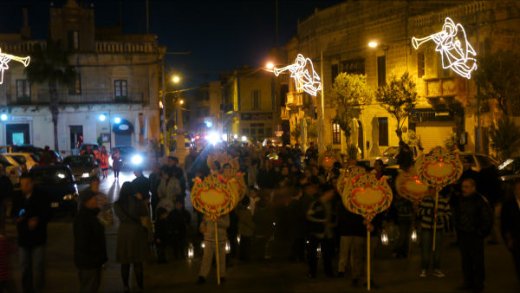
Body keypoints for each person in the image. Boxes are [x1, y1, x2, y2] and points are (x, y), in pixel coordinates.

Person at [12, 174, 51, 293]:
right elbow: (14, 213)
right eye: (22, 184)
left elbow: (48, 213)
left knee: (38, 266)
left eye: (27, 184)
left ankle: (39, 287)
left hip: (38, 237)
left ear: (32, 183)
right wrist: (16, 218)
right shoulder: (18, 197)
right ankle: (27, 289)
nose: (24, 187)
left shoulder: (41, 196)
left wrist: (38, 219)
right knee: (24, 267)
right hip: (23, 238)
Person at [453, 178, 493, 293]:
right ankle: (468, 281)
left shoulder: (479, 200)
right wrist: (458, 228)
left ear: (473, 188)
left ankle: (478, 283)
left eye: (466, 187)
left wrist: (481, 232)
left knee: (477, 260)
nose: (463, 189)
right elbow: (457, 214)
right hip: (463, 234)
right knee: (466, 260)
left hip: (475, 235)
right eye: (463, 187)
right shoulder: (460, 199)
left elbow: (487, 218)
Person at [114, 182, 149, 292]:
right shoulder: (138, 201)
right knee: (137, 261)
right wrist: (142, 201)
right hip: (136, 231)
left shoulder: (117, 204)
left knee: (125, 262)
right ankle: (140, 286)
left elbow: (120, 216)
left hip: (124, 232)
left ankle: (125, 286)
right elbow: (145, 213)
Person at [74, 190, 108, 293]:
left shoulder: (93, 214)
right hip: (88, 262)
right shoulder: (83, 218)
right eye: (94, 199)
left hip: (94, 260)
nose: (96, 201)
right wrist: (96, 253)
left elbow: (108, 222)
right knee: (89, 287)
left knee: (93, 286)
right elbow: (83, 242)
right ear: (86, 202)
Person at [306, 184, 336, 278]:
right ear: (326, 193)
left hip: (328, 233)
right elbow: (309, 216)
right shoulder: (316, 204)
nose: (332, 194)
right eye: (331, 192)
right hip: (316, 232)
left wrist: (333, 224)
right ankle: (312, 272)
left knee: (327, 254)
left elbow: (334, 217)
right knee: (312, 254)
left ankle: (328, 272)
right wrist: (321, 221)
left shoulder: (332, 204)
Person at [418, 193, 451, 278]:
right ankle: (424, 268)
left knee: (437, 249)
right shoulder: (425, 199)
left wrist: (439, 218)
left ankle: (437, 268)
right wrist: (430, 211)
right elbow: (419, 212)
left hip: (438, 229)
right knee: (425, 249)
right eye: (430, 188)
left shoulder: (443, 201)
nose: (431, 190)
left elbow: (448, 214)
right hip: (426, 228)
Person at [337, 204, 365, 287]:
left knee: (355, 253)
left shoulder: (359, 205)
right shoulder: (344, 205)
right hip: (347, 231)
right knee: (344, 251)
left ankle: (354, 271)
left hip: (356, 231)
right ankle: (341, 270)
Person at [198, 214, 230, 284]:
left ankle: (222, 275)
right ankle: (202, 275)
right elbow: (203, 224)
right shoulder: (207, 213)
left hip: (220, 239)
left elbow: (227, 224)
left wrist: (217, 220)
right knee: (206, 258)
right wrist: (203, 227)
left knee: (221, 258)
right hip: (209, 239)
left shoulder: (224, 213)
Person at [500, 180, 520, 282]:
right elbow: (504, 223)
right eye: (518, 189)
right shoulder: (508, 204)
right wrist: (508, 239)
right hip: (516, 239)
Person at [236, 197, 254, 261]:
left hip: (242, 230)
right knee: (246, 245)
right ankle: (245, 258)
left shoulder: (239, 210)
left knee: (243, 244)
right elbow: (248, 221)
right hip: (247, 230)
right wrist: (253, 227)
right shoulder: (246, 211)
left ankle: (242, 257)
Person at [0, 166, 13, 232]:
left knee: (2, 216)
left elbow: (10, 188)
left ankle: (2, 231)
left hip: (2, 200)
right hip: (3, 199)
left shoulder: (5, 179)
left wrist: (7, 198)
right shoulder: (5, 179)